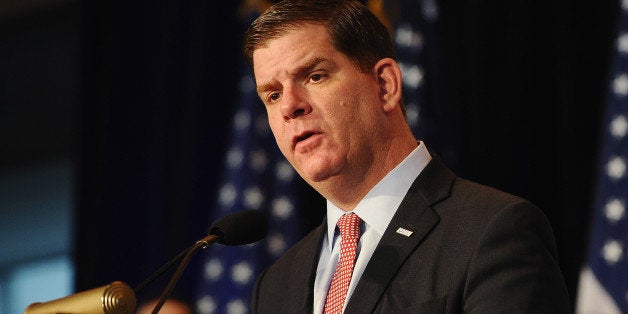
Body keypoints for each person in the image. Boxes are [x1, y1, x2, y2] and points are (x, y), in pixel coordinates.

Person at [243, 0, 570, 313]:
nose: (289, 107)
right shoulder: (276, 283)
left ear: (385, 86)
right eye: (272, 94)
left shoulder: (492, 232)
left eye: (315, 76)